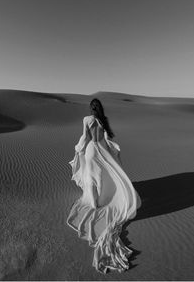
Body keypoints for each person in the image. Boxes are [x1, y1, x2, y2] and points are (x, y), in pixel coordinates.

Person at [67, 98, 142, 274]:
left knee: (91, 178)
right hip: (103, 150)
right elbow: (107, 138)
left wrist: (78, 147)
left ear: (90, 108)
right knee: (104, 177)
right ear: (99, 108)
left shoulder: (87, 119)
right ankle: (102, 199)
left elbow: (86, 137)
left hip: (92, 151)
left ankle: (94, 203)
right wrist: (113, 148)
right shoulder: (103, 120)